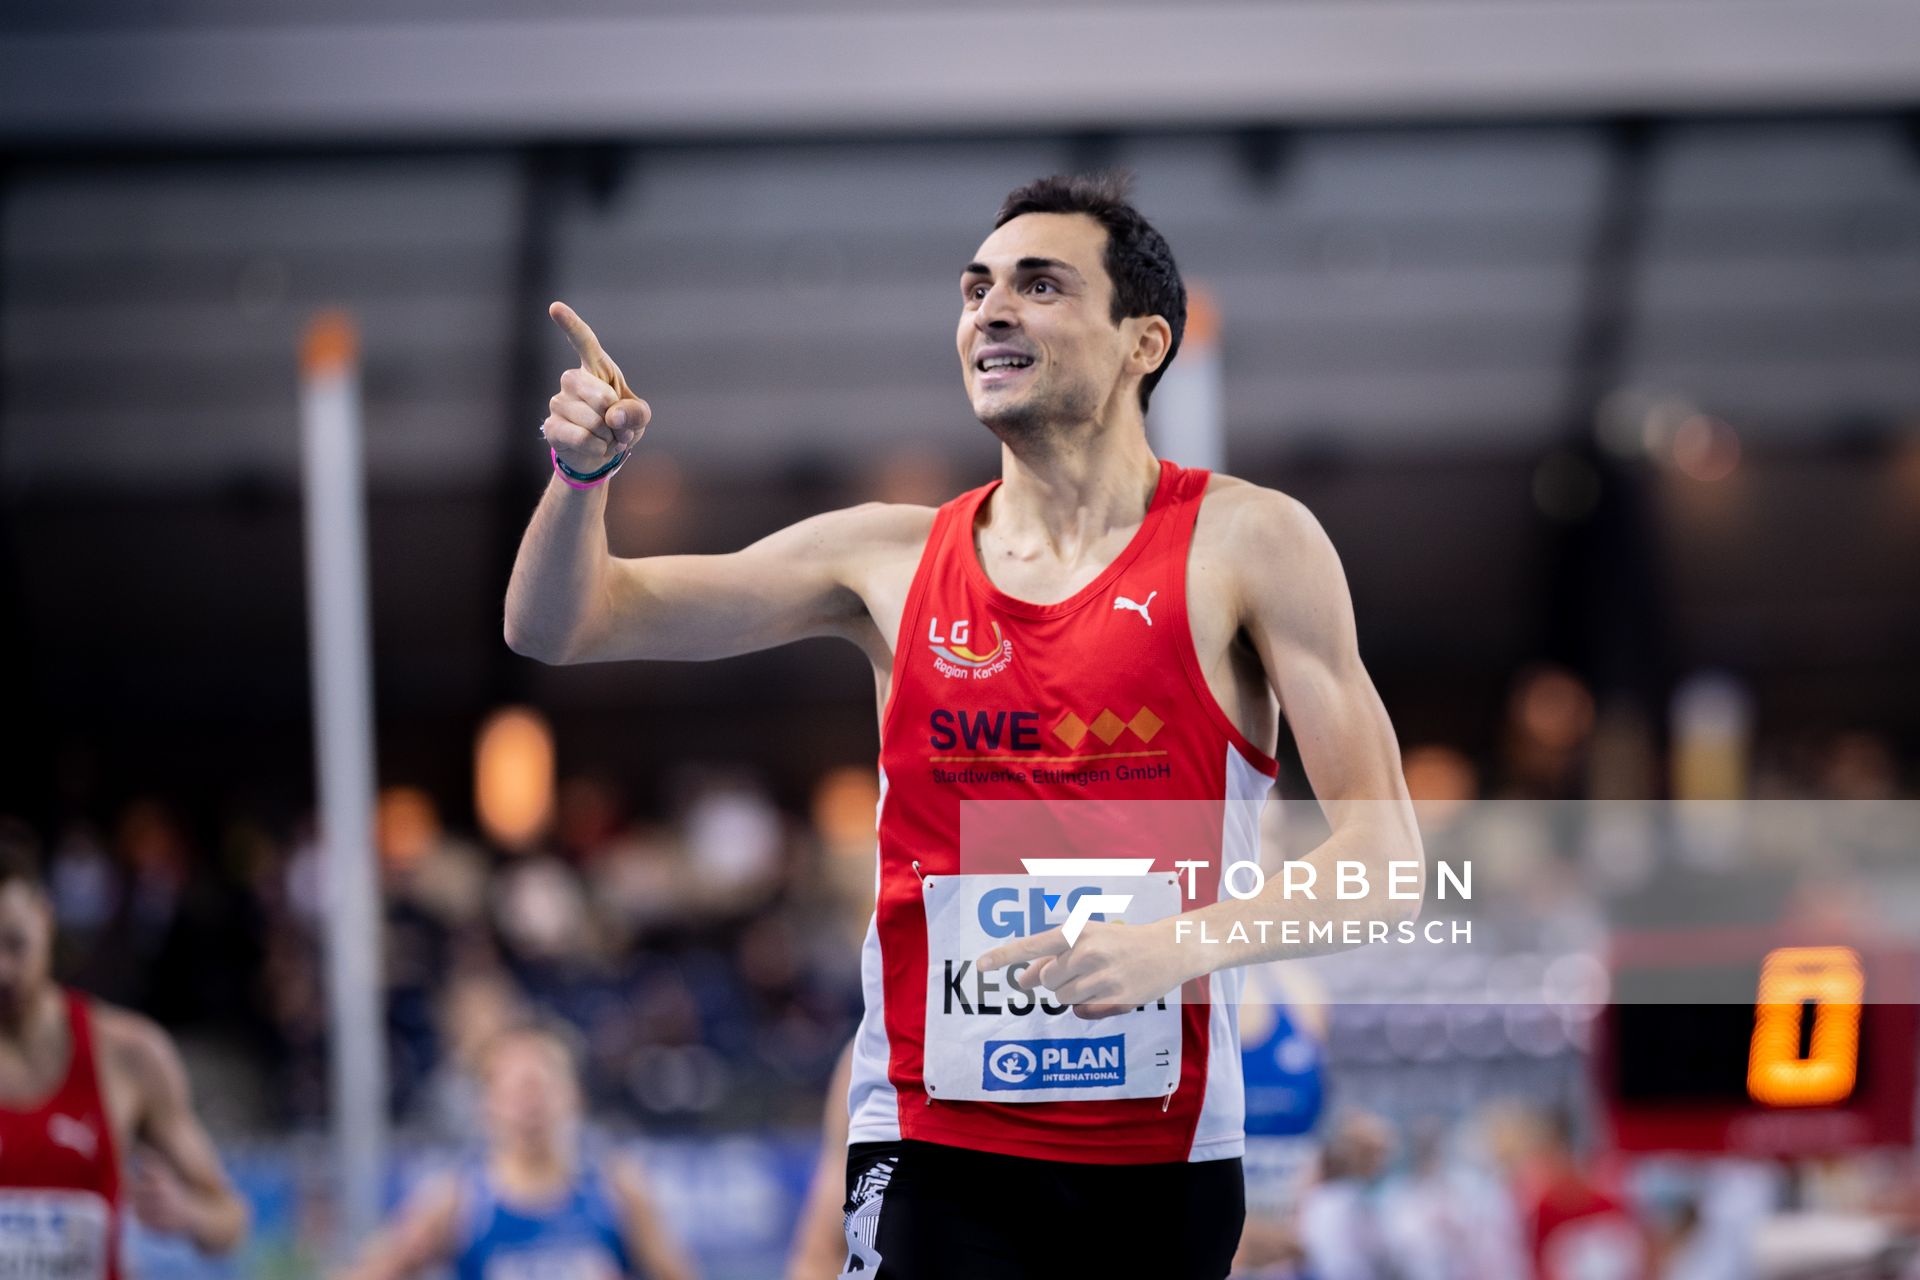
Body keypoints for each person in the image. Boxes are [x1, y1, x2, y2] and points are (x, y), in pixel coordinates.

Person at [506, 170, 1421, 1278]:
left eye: (1039, 285)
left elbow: (1385, 861)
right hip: (932, 1140)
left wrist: (1172, 942)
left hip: (1162, 1151)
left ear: (1144, 341)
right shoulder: (886, 560)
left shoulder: (1250, 545)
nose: (990, 310)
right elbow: (564, 623)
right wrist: (580, 473)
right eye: (976, 287)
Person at [0, 826, 249, 1277]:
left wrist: (188, 1212)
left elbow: (230, 1219)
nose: (2, 970)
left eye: (14, 944)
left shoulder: (128, 1053)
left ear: (45, 919)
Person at [341, 1023, 697, 1280]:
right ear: (488, 1105)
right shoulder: (459, 1200)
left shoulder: (616, 1190)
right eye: (516, 1092)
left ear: (572, 1096)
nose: (530, 1106)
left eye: (541, 1088)